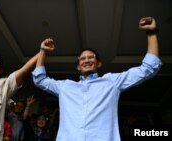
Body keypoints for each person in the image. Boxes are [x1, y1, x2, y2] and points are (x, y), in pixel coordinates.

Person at [32, 17, 162, 141]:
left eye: (91, 57)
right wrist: (43, 51)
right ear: (78, 66)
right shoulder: (65, 87)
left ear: (99, 63)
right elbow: (40, 80)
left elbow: (149, 68)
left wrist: (151, 32)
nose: (86, 60)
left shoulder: (112, 82)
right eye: (82, 58)